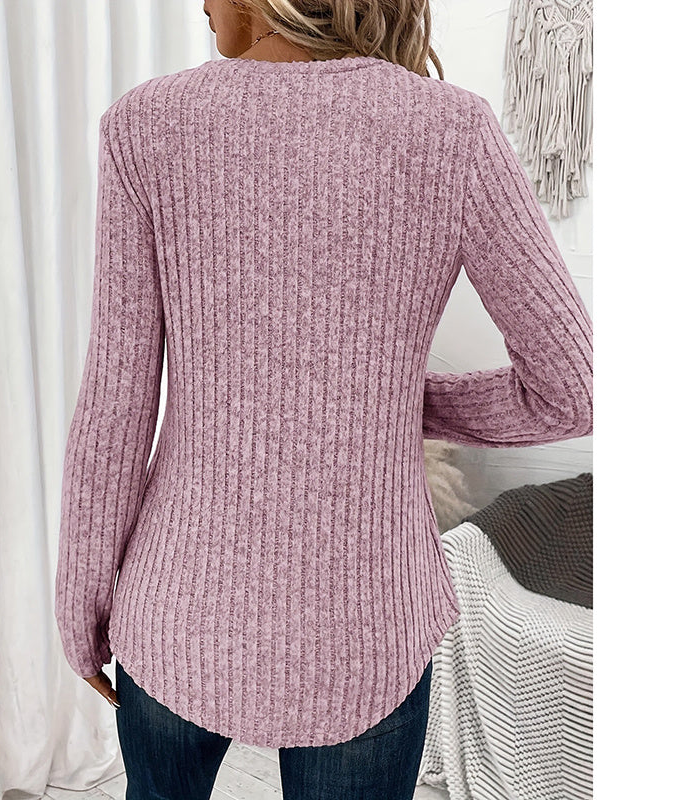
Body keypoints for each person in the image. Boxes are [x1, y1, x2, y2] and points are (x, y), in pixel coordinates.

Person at [54, 1, 594, 798]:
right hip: (366, 632)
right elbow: (572, 390)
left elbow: (115, 404)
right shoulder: (453, 131)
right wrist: (392, 403)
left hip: (176, 609)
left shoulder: (148, 125)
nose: (200, 4)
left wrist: (81, 601)